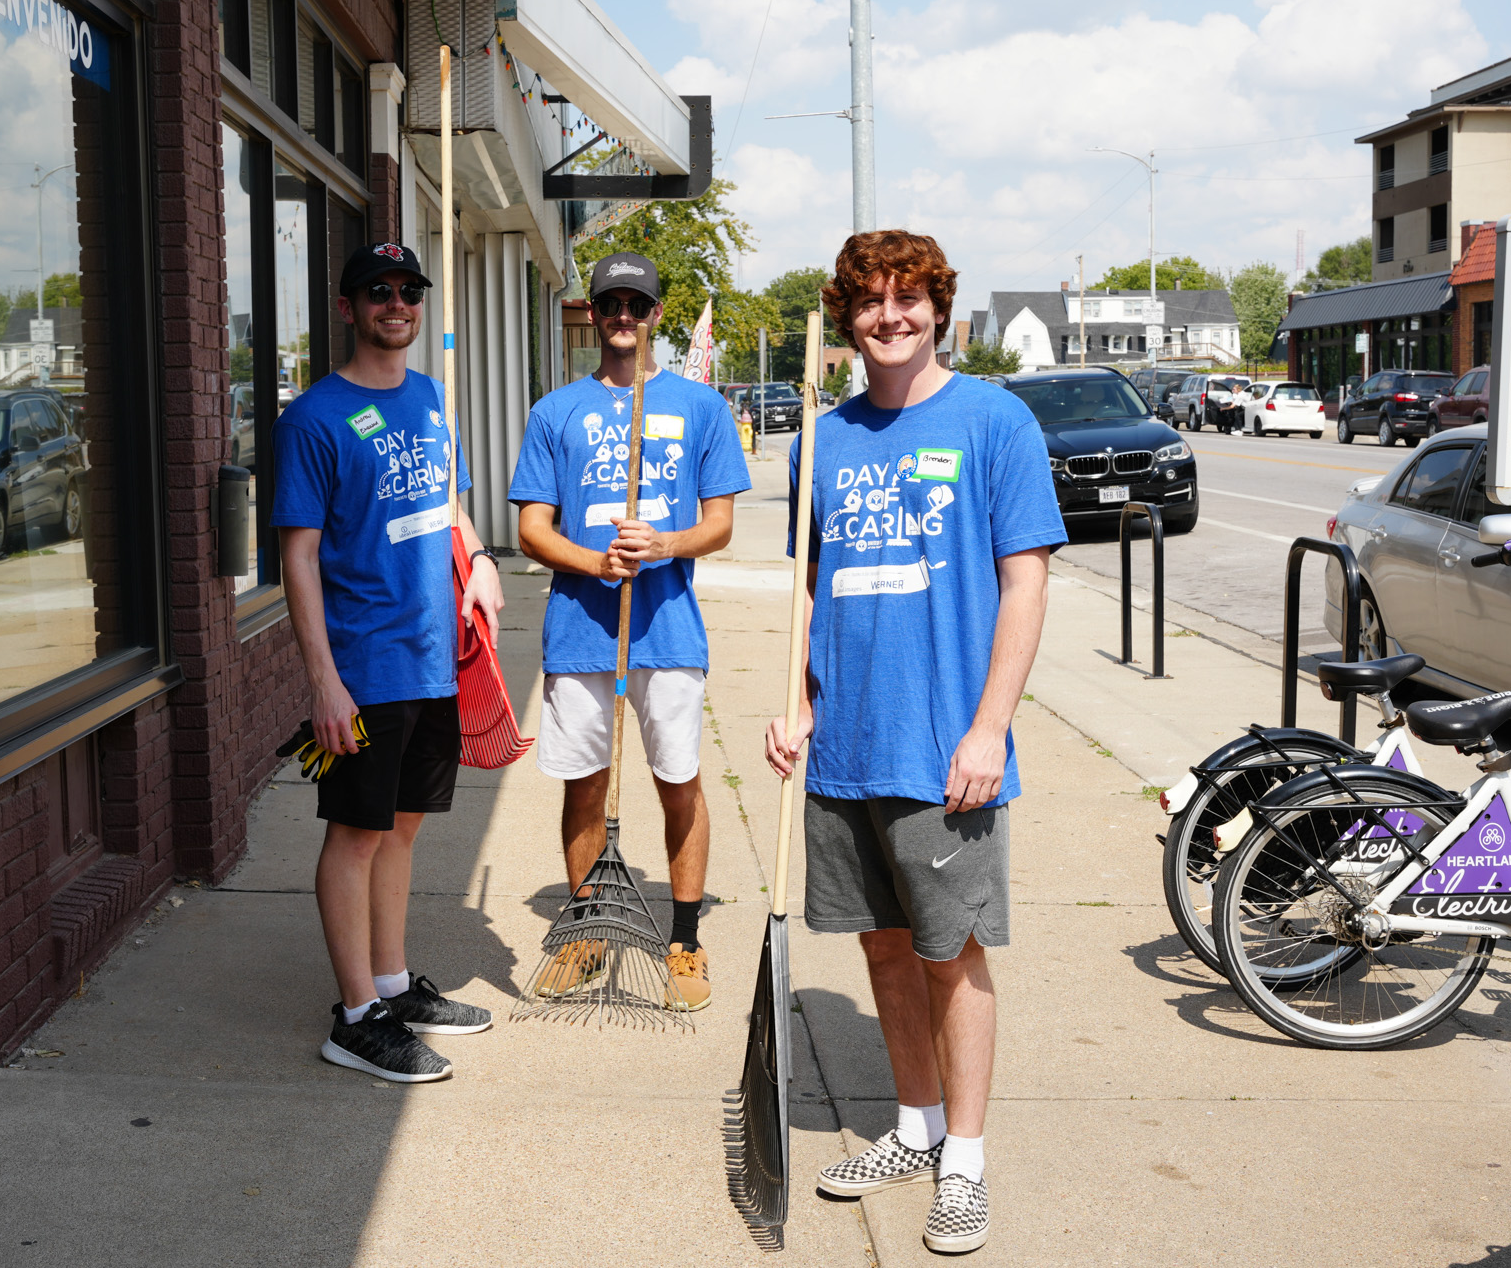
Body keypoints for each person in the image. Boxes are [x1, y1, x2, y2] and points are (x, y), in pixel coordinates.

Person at [764, 230, 1062, 1254]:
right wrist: (797, 698)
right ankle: (913, 1125)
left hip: (946, 751)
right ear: (845, 317)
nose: (888, 316)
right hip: (845, 745)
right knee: (882, 951)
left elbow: (1025, 583)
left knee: (951, 956)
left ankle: (965, 1163)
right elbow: (809, 587)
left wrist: (989, 728)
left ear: (939, 307)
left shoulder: (994, 421)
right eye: (869, 302)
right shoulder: (821, 439)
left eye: (907, 298)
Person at [273, 241, 506, 1083]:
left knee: (402, 827)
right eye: (379, 291)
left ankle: (394, 981)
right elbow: (298, 556)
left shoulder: (432, 399)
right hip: (365, 664)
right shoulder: (312, 418)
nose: (396, 302)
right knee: (357, 833)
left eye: (409, 289)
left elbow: (447, 498)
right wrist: (323, 680)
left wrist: (477, 557)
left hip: (433, 657)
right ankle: (356, 1015)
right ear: (348, 308)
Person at [509, 252, 750, 1011]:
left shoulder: (699, 406)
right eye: (610, 302)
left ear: (654, 311)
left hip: (668, 630)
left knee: (678, 780)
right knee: (585, 785)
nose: (622, 315)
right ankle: (585, 927)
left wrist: (664, 543)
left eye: (635, 304)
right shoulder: (557, 411)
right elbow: (528, 527)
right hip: (581, 628)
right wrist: (595, 561)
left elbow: (719, 524)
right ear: (594, 308)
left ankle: (684, 938)